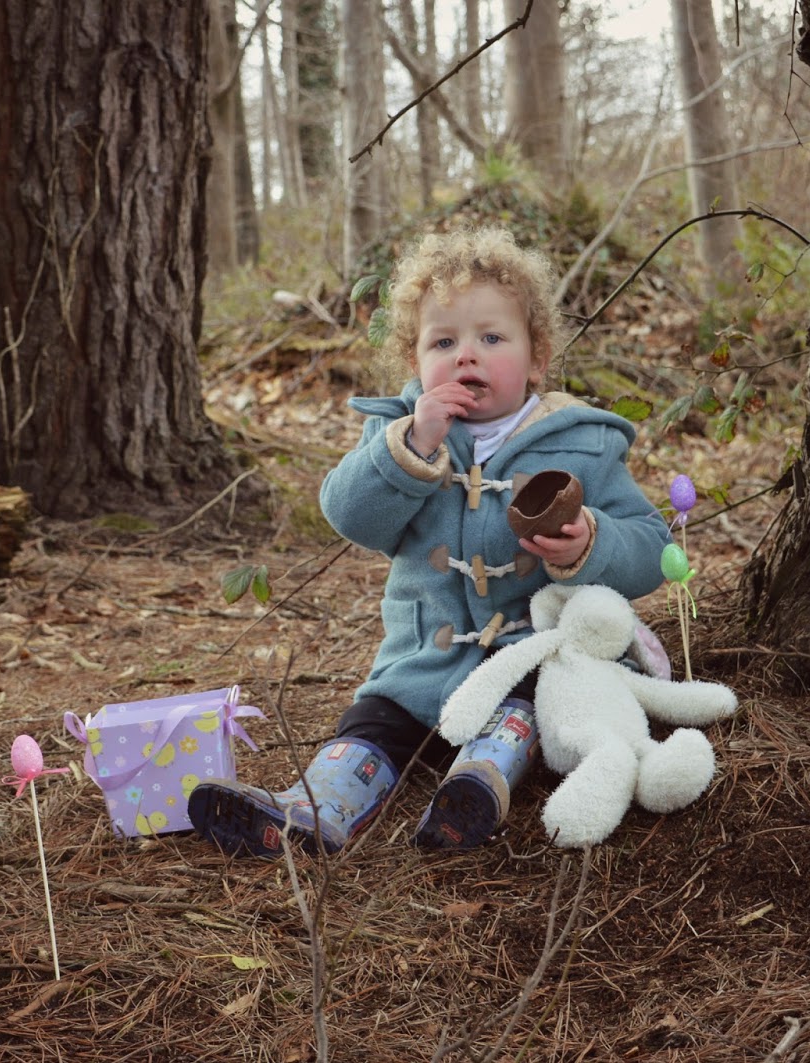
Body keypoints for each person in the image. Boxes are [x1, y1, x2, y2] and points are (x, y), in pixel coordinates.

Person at [188, 227, 671, 857]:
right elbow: (350, 517)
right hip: (421, 664)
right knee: (372, 725)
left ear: (537, 358)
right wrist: (413, 447)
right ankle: (313, 808)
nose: (466, 356)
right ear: (415, 362)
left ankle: (476, 788)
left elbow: (652, 547)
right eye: (443, 342)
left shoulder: (583, 441)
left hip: (529, 658)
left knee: (528, 707)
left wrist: (590, 544)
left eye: (491, 338)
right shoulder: (400, 432)